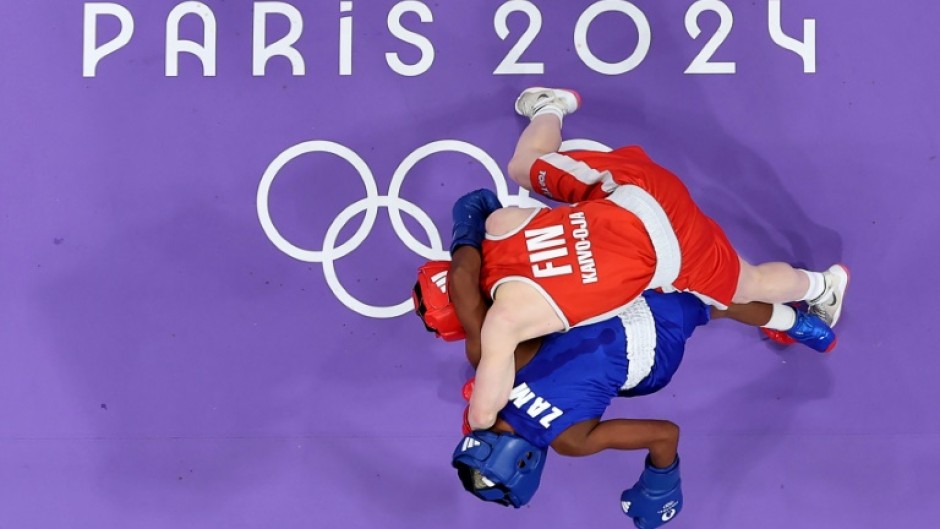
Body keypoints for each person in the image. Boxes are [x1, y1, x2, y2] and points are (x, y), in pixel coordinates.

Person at [409, 194, 837, 528]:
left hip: (656, 356)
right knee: (703, 293)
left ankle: (803, 326)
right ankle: (798, 319)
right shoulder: (494, 357)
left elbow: (665, 435)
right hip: (619, 291)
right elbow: (462, 284)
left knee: (710, 306)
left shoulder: (571, 441)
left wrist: (659, 485)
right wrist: (471, 222)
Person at [468, 88, 850, 431]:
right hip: (641, 189)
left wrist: (486, 410)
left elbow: (483, 416)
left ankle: (823, 286)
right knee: (524, 167)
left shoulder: (507, 322)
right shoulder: (499, 226)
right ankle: (549, 106)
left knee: (749, 285)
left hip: (677, 247)